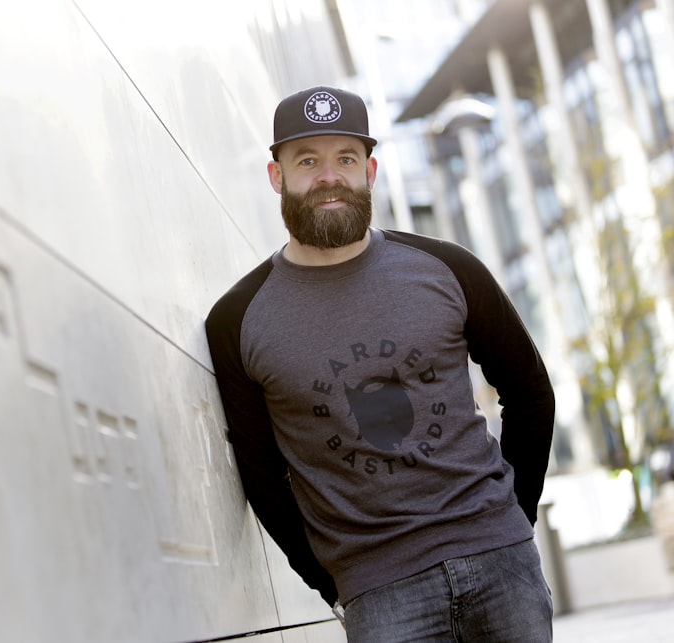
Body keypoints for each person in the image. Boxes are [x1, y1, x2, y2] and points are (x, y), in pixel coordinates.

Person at [205, 86, 555, 642]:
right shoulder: (238, 319)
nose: (328, 177)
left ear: (369, 170)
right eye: (307, 161)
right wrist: (328, 581)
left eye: (344, 158)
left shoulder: (448, 268)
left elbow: (530, 391)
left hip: (499, 561)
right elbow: (260, 471)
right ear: (277, 176)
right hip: (379, 589)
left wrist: (515, 521)